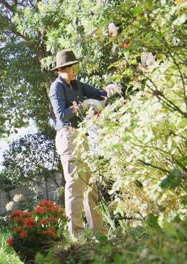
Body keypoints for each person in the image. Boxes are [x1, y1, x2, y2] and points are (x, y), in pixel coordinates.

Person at [49, 49, 119, 239]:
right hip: (68, 136)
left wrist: (112, 89)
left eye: (75, 68)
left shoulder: (77, 85)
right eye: (71, 68)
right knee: (75, 186)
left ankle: (100, 234)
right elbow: (62, 114)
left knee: (91, 188)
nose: (74, 71)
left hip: (82, 136)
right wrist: (83, 105)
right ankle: (77, 236)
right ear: (61, 69)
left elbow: (99, 94)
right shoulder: (56, 87)